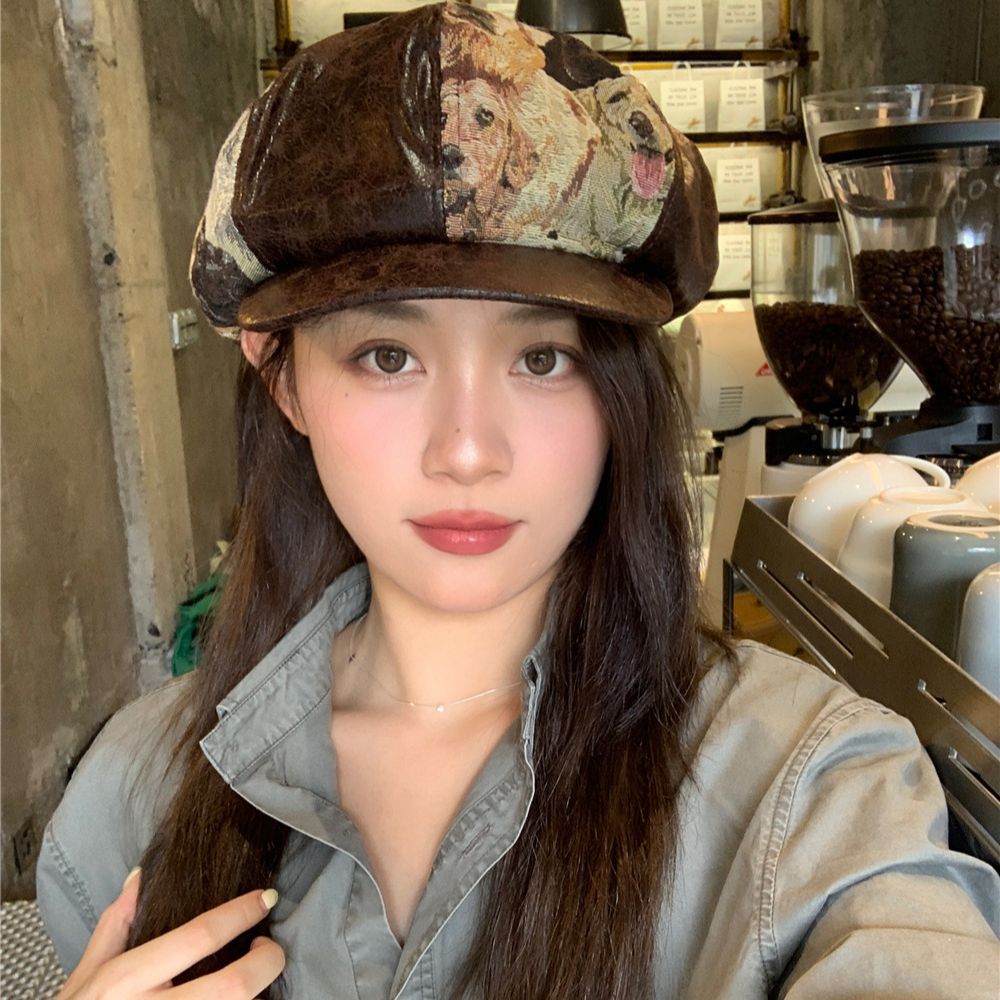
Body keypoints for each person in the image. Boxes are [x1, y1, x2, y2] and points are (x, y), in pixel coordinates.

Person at [36, 3, 999, 998]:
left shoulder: (807, 788)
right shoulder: (131, 797)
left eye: (542, 359)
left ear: (622, 389)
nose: (467, 451)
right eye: (387, 356)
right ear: (282, 378)